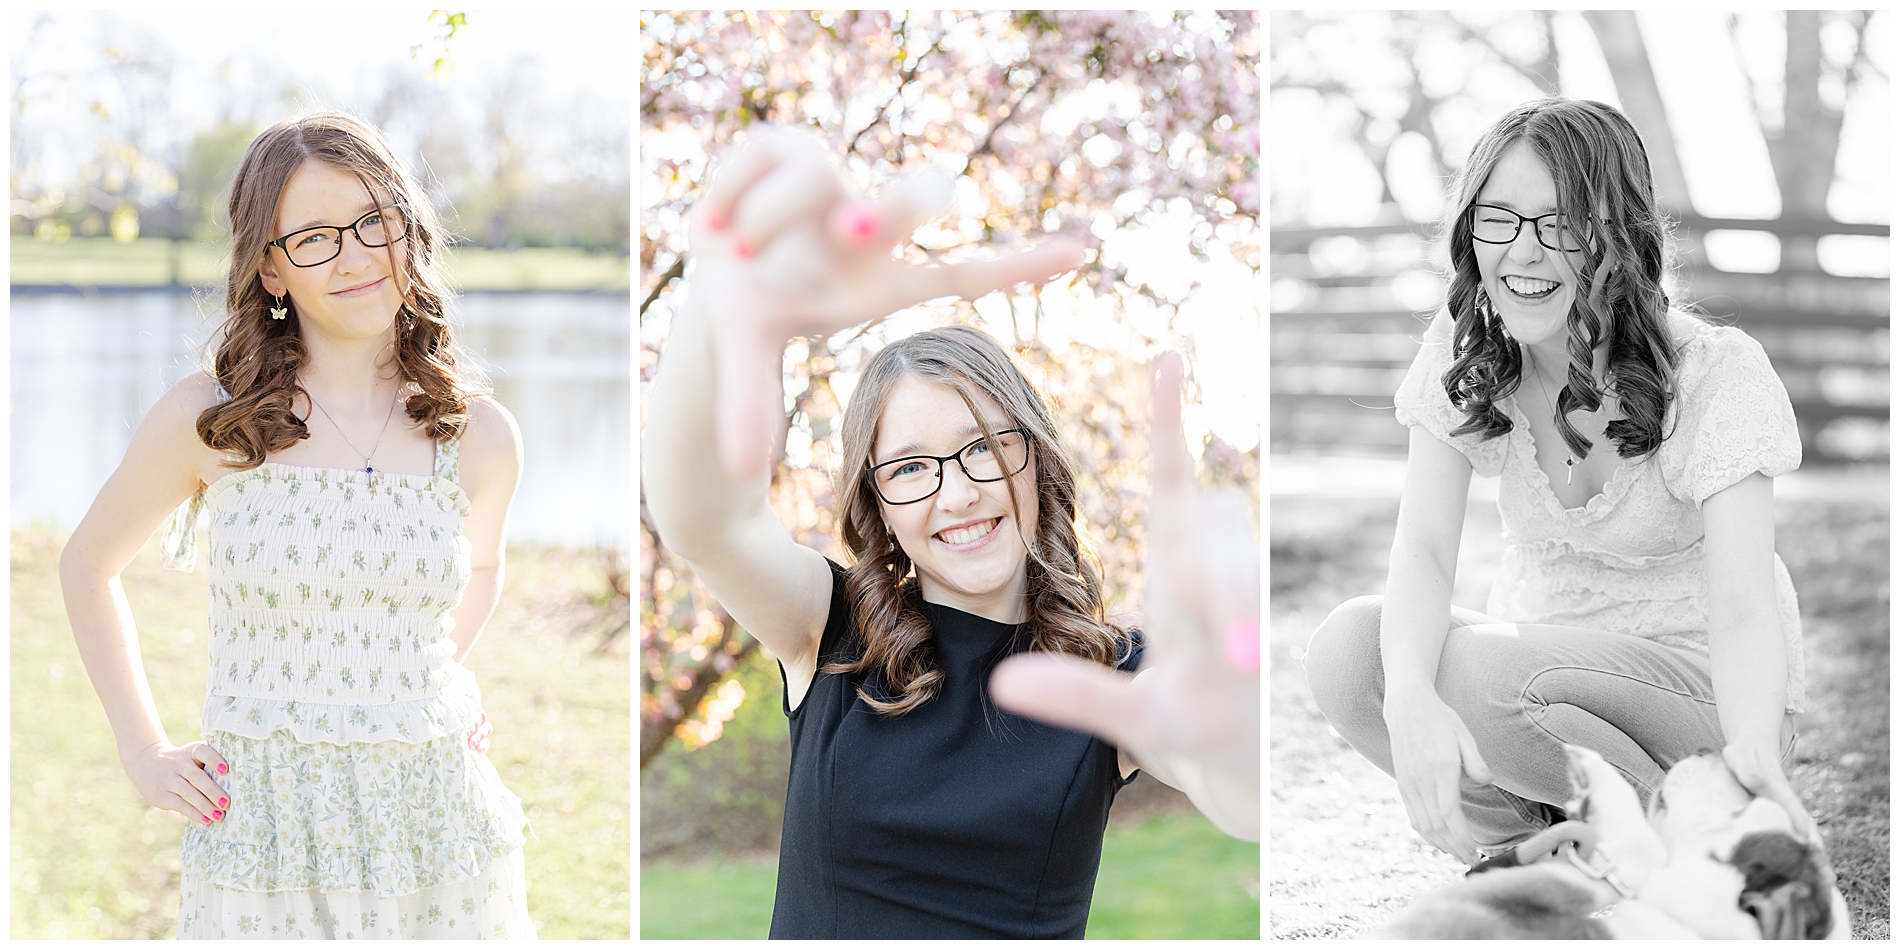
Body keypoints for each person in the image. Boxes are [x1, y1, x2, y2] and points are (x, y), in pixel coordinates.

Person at [643, 127, 1258, 939]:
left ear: (1035, 456)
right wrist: (716, 307)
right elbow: (703, 519)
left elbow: (1233, 791)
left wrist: (1234, 735)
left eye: (983, 448)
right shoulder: (828, 630)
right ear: (880, 504)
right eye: (910, 468)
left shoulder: (1112, 678)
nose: (959, 492)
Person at [1301, 97, 1821, 871]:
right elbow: (1424, 553)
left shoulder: (1716, 372)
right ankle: (1541, 851)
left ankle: (1705, 846)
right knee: (1351, 649)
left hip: (1701, 695)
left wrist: (1750, 746)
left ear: (1620, 235)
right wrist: (1406, 697)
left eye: (1562, 224)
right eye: (1499, 219)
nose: (1524, 253)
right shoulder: (1467, 352)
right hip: (1540, 697)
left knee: (1479, 671)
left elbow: (1745, 607)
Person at [59, 111, 533, 939]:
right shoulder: (214, 421)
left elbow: (482, 570)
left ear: (407, 229)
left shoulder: (479, 434)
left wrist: (426, 687)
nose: (353, 256)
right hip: (266, 834)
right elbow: (87, 566)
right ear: (272, 270)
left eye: (372, 221)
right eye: (313, 238)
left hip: (436, 822)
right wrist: (144, 752)